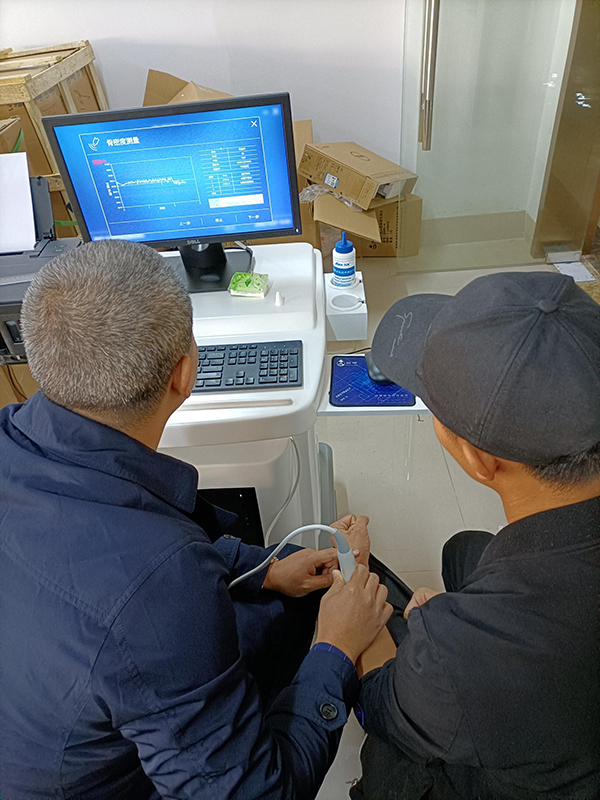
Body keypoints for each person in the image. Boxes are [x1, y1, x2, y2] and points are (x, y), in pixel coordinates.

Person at [0, 239, 392, 800]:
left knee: (280, 602)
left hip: (46, 721)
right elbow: (256, 794)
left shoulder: (15, 438)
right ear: (185, 373)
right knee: (304, 632)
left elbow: (113, 553)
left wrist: (262, 569)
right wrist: (335, 649)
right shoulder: (160, 590)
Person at [349, 270, 600, 800]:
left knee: (391, 759)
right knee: (464, 550)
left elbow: (379, 704)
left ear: (478, 458)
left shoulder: (464, 653)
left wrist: (357, 587)